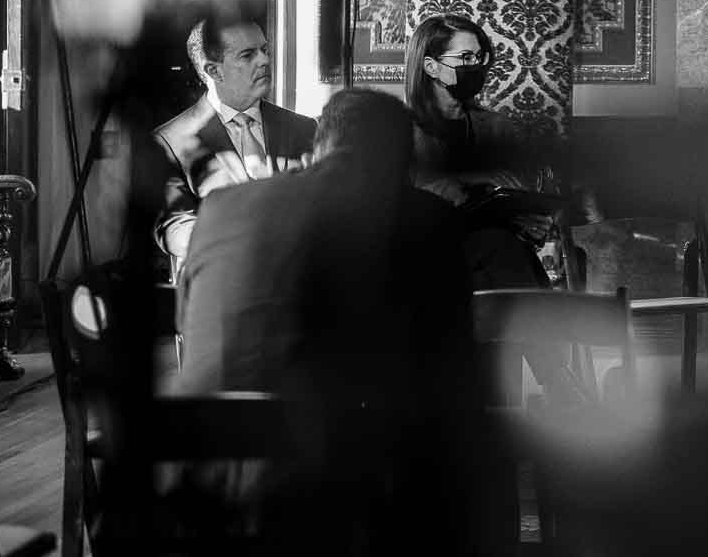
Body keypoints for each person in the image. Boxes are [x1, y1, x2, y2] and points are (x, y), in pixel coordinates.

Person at [173, 87, 483, 552]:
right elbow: (450, 360)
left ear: (317, 146)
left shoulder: (220, 209)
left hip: (197, 478)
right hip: (332, 492)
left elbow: (185, 323)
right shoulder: (428, 220)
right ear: (403, 164)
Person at [404, 12, 563, 290]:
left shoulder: (497, 127)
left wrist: (529, 223)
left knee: (501, 246)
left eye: (479, 58)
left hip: (496, 254)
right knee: (496, 248)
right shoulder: (399, 130)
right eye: (465, 58)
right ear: (431, 67)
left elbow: (515, 196)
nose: (475, 66)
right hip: (428, 258)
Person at [153, 17, 316, 276]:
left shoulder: (304, 129)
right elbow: (174, 225)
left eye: (265, 50)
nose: (264, 61)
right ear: (214, 71)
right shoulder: (171, 141)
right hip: (222, 293)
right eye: (248, 55)